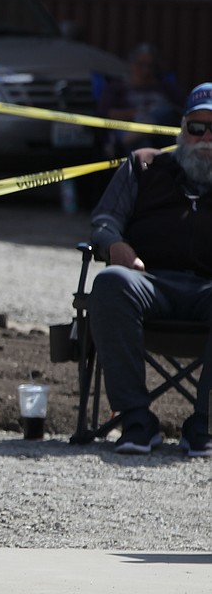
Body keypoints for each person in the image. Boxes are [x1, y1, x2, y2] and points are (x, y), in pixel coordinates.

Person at [88, 82, 212, 456]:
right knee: (111, 281)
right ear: (182, 128)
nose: (206, 137)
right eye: (197, 127)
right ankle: (137, 420)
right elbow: (104, 220)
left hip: (207, 289)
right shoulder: (143, 165)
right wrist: (115, 244)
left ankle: (203, 423)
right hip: (149, 283)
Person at [96, 43, 185, 156]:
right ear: (131, 64)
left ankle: (136, 134)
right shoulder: (117, 87)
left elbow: (181, 110)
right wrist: (135, 113)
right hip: (130, 126)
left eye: (150, 66)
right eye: (140, 65)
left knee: (165, 110)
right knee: (142, 142)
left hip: (161, 131)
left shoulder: (167, 88)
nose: (146, 71)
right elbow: (105, 113)